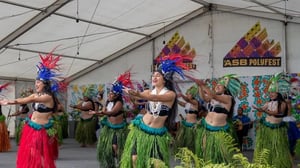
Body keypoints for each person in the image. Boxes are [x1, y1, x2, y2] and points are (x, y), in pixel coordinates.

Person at [121, 54, 191, 168]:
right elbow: (140, 96)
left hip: (156, 134)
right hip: (141, 129)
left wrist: (138, 94)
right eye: (153, 75)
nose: (154, 77)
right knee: (135, 159)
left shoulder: (170, 94)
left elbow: (155, 98)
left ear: (165, 79)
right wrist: (130, 92)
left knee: (157, 164)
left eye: (158, 75)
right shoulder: (149, 91)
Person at [0, 50, 62, 168]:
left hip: (41, 130)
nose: (36, 84)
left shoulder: (47, 97)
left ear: (45, 84)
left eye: (38, 82)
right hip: (31, 127)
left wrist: (11, 101)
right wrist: (9, 101)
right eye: (35, 82)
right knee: (31, 152)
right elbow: (30, 98)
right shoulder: (38, 95)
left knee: (39, 154)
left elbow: (30, 99)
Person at [193, 74, 241, 164]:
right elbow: (203, 97)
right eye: (217, 85)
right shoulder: (212, 98)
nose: (217, 86)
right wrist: (200, 86)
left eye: (220, 85)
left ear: (225, 89)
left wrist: (203, 85)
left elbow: (212, 95)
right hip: (206, 128)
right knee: (205, 151)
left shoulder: (228, 98)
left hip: (219, 131)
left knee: (221, 156)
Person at [90, 70, 133, 168]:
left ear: (117, 95)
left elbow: (112, 112)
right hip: (109, 128)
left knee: (115, 146)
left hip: (118, 129)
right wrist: (96, 113)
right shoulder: (107, 102)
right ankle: (111, 163)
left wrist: (98, 112)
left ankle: (122, 161)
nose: (109, 95)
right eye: (109, 93)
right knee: (108, 148)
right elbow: (104, 114)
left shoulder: (119, 103)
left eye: (111, 94)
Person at [252, 72, 293, 167]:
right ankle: (267, 163)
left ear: (278, 93)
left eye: (273, 92)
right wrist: (259, 108)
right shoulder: (268, 103)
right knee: (267, 147)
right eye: (270, 92)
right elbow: (262, 107)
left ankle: (279, 164)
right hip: (266, 127)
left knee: (278, 148)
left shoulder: (282, 104)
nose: (271, 94)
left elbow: (275, 113)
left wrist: (264, 111)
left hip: (277, 129)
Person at [174, 85, 199, 153]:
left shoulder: (195, 102)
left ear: (193, 95)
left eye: (189, 94)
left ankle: (193, 153)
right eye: (187, 94)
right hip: (186, 125)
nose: (187, 95)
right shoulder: (187, 104)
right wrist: (175, 99)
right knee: (184, 140)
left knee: (192, 142)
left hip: (192, 125)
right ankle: (186, 153)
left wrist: (182, 95)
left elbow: (187, 100)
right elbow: (181, 103)